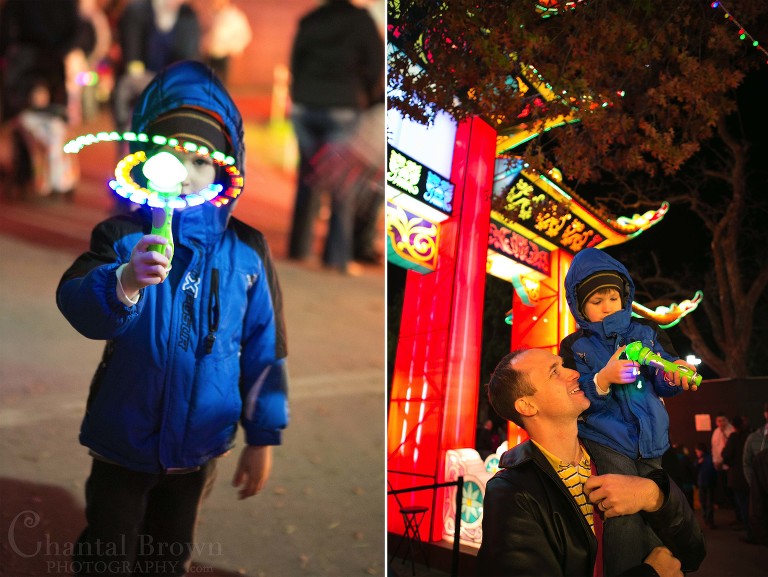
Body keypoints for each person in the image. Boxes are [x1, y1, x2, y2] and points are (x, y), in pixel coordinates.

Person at [56, 60, 288, 576]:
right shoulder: (121, 237)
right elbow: (78, 302)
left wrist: (263, 436)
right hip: (123, 434)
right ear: (144, 162)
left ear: (225, 169)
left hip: (199, 444)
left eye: (199, 159)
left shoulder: (247, 250)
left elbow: (264, 347)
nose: (182, 173)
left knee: (167, 555)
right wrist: (125, 281)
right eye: (169, 155)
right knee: (106, 553)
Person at [477, 348, 706, 577]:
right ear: (527, 406)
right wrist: (651, 574)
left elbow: (693, 551)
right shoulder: (511, 492)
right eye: (554, 372)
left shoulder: (619, 451)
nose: (574, 373)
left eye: (563, 365)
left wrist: (653, 496)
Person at [559, 247, 699, 576]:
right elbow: (571, 395)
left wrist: (674, 374)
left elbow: (665, 377)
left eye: (612, 297)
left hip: (651, 439)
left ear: (624, 295)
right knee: (621, 508)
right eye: (597, 301)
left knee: (655, 507)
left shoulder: (646, 331)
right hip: (605, 439)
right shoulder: (574, 346)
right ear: (579, 306)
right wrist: (602, 379)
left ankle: (663, 564)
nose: (608, 306)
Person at [287, 0, 384, 274]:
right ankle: (336, 258)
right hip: (344, 106)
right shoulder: (361, 21)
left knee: (308, 177)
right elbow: (375, 65)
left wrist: (300, 94)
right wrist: (370, 100)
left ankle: (299, 249)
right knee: (342, 181)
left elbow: (296, 62)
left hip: (306, 106)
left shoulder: (310, 19)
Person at [202, 0, 252, 86]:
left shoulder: (234, 17)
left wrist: (233, 48)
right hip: (209, 55)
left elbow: (245, 35)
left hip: (224, 56)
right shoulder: (211, 15)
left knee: (220, 84)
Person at [722, 416, 751, 536]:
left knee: (741, 501)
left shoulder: (734, 437)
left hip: (737, 474)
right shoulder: (750, 436)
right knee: (749, 501)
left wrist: (729, 463)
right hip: (750, 474)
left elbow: (726, 454)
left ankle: (747, 527)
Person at [711, 412, 735, 509]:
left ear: (727, 420)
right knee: (723, 486)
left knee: (731, 486)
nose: (721, 423)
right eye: (719, 421)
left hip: (729, 464)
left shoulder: (732, 430)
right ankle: (728, 504)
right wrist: (715, 461)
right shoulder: (716, 432)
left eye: (723, 420)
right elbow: (714, 448)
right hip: (719, 465)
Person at [694, 442, 718, 529]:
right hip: (702, 483)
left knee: (709, 503)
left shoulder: (709, 458)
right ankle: (706, 519)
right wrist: (698, 463)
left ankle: (709, 521)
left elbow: (713, 470)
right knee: (703, 502)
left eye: (697, 452)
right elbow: (694, 468)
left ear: (701, 451)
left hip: (709, 483)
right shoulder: (699, 460)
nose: (696, 453)